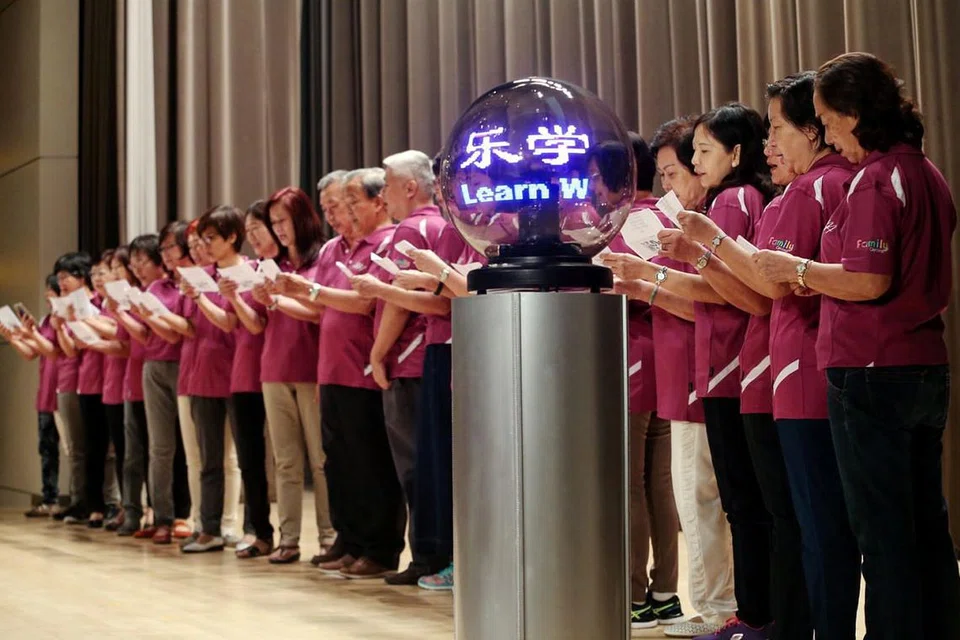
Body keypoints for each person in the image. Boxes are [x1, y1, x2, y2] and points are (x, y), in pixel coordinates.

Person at [755, 51, 960, 640]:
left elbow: (868, 279)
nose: (829, 135)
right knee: (926, 524)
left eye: (828, 119)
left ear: (852, 113)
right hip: (923, 366)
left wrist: (798, 270)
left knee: (884, 531)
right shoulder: (928, 173)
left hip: (873, 371)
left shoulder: (876, 179)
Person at [605, 117, 736, 638]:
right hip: (680, 363)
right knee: (679, 488)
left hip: (689, 364)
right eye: (664, 175)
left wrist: (643, 283)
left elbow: (718, 295)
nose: (672, 186)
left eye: (679, 169)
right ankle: (686, 598)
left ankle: (696, 603)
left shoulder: (713, 213)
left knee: (683, 490)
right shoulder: (688, 217)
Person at [279, 169, 406, 579]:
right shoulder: (335, 249)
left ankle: (379, 547)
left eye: (347, 204)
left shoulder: (386, 242)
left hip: (365, 368)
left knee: (372, 462)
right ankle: (349, 539)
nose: (338, 214)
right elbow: (322, 309)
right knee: (339, 461)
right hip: (331, 368)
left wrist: (310, 291)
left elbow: (366, 302)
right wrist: (284, 297)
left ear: (378, 202)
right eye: (334, 207)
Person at [597, 134, 684, 629]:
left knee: (632, 483)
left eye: (591, 174)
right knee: (658, 483)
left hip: (633, 359)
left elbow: (632, 287)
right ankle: (666, 591)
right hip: (663, 360)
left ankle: (633, 594)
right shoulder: (666, 216)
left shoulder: (632, 223)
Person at [253, 186, 334, 565]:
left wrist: (280, 299)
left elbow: (321, 312)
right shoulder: (275, 266)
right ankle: (288, 538)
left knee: (320, 460)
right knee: (285, 461)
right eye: (273, 223)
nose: (278, 229)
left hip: (312, 367)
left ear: (301, 218)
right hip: (274, 368)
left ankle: (329, 536)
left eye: (282, 221)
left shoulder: (322, 260)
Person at [164, 212, 240, 553]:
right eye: (200, 241)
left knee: (236, 459)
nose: (203, 247)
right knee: (208, 458)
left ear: (232, 237)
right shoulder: (201, 276)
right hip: (201, 375)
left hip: (236, 373)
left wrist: (199, 299)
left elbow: (229, 323)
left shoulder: (243, 272)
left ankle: (238, 527)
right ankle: (207, 526)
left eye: (209, 239)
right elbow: (190, 327)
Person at [216, 200, 281, 557]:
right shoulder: (246, 271)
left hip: (279, 368)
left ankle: (301, 534)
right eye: (251, 230)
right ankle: (257, 529)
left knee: (291, 460)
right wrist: (235, 298)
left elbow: (257, 323)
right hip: (245, 372)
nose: (255, 236)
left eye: (260, 228)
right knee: (251, 459)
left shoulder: (276, 269)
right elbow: (241, 322)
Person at [125, 222, 194, 544]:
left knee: (188, 446)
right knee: (160, 447)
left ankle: (185, 514)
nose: (165, 255)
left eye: (170, 248)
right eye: (163, 249)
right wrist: (133, 312)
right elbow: (142, 333)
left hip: (186, 363)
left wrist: (153, 318)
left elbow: (181, 332)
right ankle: (162, 516)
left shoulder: (191, 284)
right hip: (154, 365)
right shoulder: (157, 288)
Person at [1, 275, 62, 517]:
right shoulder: (46, 321)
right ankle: (49, 497)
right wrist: (13, 337)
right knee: (46, 449)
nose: (47, 295)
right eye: (47, 290)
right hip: (45, 392)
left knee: (73, 450)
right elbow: (32, 353)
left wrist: (31, 334)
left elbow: (54, 350)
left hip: (64, 389)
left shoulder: (62, 320)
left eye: (52, 290)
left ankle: (81, 501)